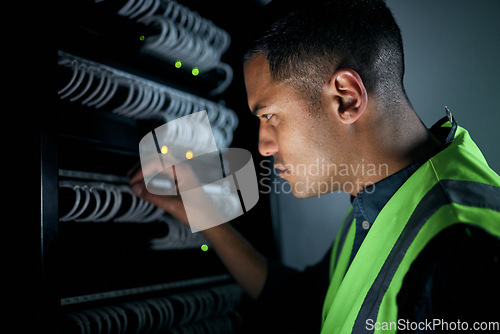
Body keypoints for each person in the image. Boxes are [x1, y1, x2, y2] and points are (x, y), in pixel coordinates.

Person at [130, 0, 500, 332]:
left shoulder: (462, 257)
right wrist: (202, 214)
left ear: (346, 97)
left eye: (270, 116)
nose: (263, 146)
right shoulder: (383, 198)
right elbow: (308, 305)